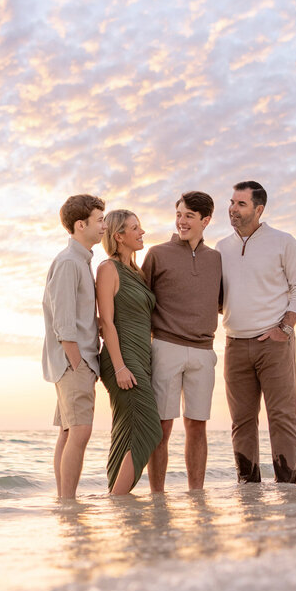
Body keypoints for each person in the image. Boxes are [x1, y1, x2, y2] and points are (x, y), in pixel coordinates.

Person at [217, 181, 296, 483]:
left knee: (281, 417)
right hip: (234, 344)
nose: (232, 209)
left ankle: (286, 487)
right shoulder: (221, 248)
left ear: (259, 209)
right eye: (232, 202)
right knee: (241, 421)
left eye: (241, 204)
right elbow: (220, 298)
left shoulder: (283, 242)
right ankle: (248, 487)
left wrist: (284, 328)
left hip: (273, 343)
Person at [140, 191, 222, 491]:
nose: (181, 221)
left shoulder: (216, 259)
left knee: (197, 426)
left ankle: (196, 494)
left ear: (205, 220)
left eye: (189, 215)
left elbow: (221, 302)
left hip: (203, 351)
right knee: (162, 427)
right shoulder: (157, 254)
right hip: (166, 347)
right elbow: (140, 301)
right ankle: (157, 496)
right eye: (179, 214)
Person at [42, 194, 106, 498]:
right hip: (73, 362)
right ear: (81, 225)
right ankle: (68, 501)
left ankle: (64, 499)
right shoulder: (69, 262)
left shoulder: (81, 260)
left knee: (69, 432)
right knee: (80, 431)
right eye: (99, 220)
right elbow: (64, 322)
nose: (104, 225)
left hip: (74, 361)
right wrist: (78, 362)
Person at [96, 210, 164, 494]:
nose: (142, 232)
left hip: (141, 358)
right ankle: (118, 498)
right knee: (149, 428)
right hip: (121, 359)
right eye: (135, 228)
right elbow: (107, 322)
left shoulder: (137, 272)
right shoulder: (108, 269)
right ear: (118, 236)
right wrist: (120, 366)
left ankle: (116, 495)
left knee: (128, 431)